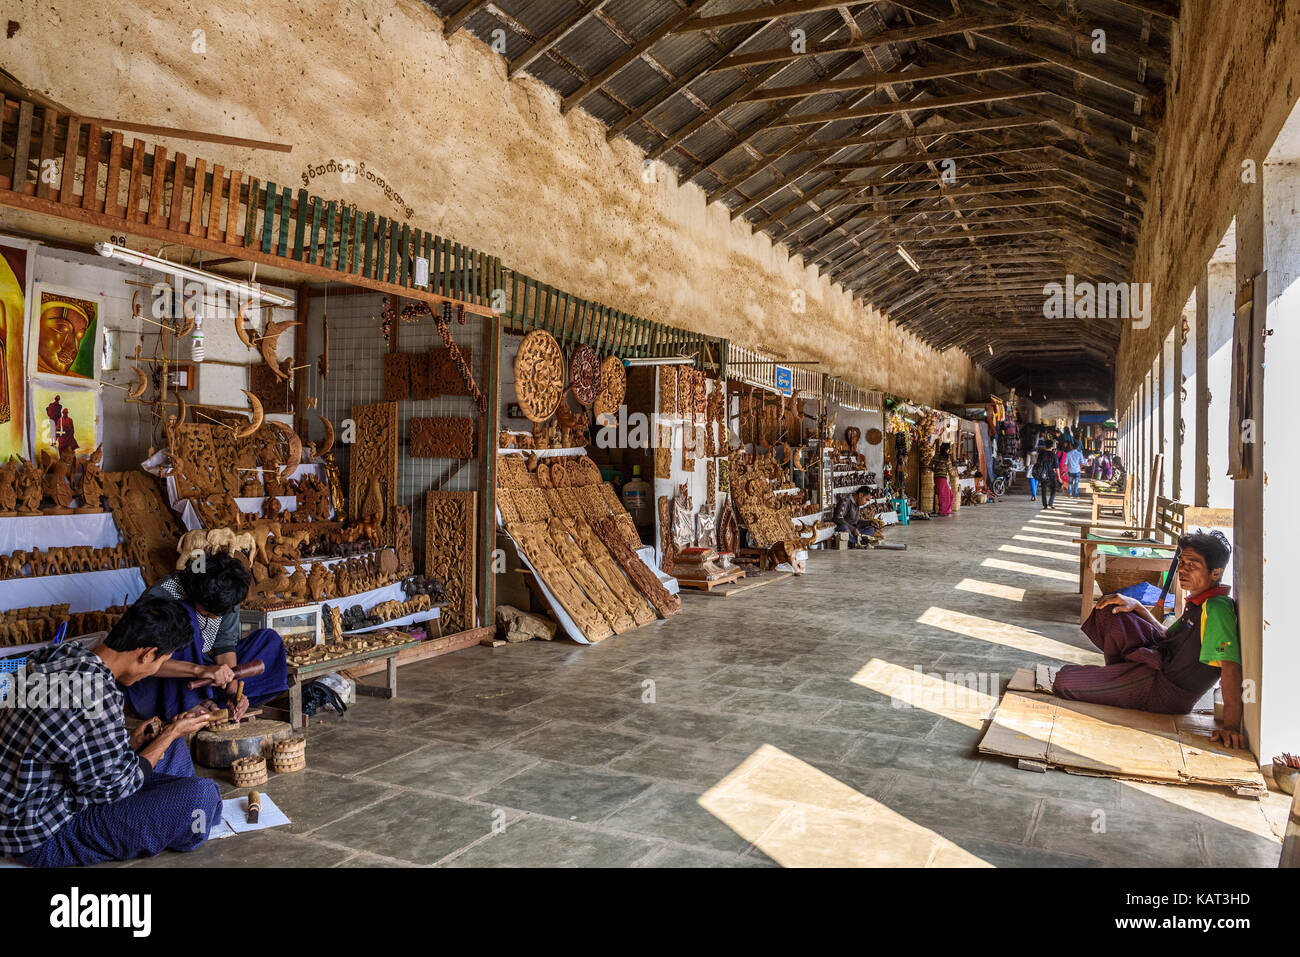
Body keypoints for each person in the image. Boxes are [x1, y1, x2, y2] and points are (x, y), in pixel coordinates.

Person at [0, 597, 223, 867]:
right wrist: (171, 732)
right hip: (41, 835)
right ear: (146, 654)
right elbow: (117, 787)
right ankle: (177, 821)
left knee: (170, 750)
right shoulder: (98, 695)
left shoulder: (62, 654)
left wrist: (132, 742)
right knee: (201, 795)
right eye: (160, 661)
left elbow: (65, 742)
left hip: (30, 801)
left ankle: (169, 817)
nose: (154, 670)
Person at [1053, 531, 1244, 743]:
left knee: (1064, 680)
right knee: (1111, 611)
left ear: (1215, 573)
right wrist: (1138, 606)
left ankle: (1118, 682)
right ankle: (1117, 679)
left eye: (1193, 565)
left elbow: (1230, 668)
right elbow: (1164, 635)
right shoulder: (1199, 602)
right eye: (1182, 562)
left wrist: (1231, 726)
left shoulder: (1217, 609)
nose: (1182, 569)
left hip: (1163, 691)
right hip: (1158, 661)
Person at [124, 551, 287, 721]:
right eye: (209, 613)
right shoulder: (162, 596)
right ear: (196, 594)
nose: (216, 618)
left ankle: (212, 700)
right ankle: (189, 703)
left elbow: (225, 646)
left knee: (270, 641)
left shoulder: (227, 593)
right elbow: (141, 661)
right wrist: (200, 670)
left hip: (204, 673)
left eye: (220, 612)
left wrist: (232, 690)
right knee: (185, 619)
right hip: (161, 681)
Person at [1032, 441, 1059, 508]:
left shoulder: (1041, 454)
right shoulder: (1054, 455)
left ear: (1045, 446)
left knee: (1043, 489)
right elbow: (1057, 467)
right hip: (1051, 473)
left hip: (1043, 473)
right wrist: (1059, 477)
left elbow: (1038, 463)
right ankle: (1051, 502)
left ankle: (1045, 505)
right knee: (1054, 488)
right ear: (1052, 446)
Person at [932, 441, 955, 516]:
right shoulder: (946, 458)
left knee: (948, 494)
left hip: (937, 477)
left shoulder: (936, 455)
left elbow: (930, 464)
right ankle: (943, 511)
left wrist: (934, 470)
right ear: (947, 449)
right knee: (944, 495)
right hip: (942, 478)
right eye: (949, 449)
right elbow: (950, 470)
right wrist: (954, 475)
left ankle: (946, 510)